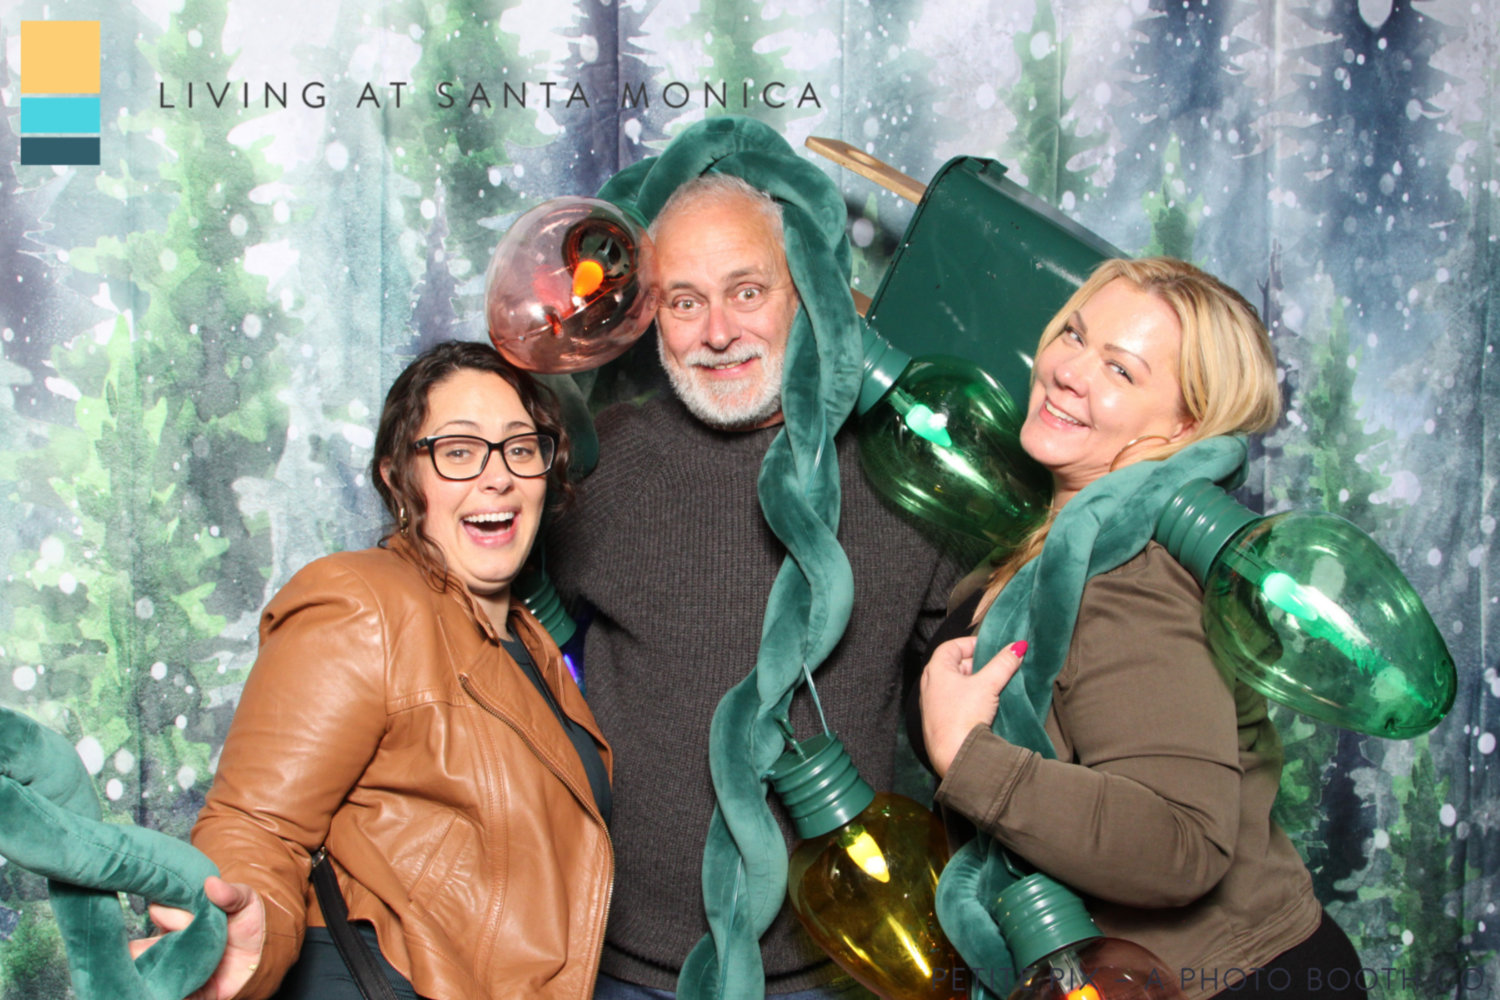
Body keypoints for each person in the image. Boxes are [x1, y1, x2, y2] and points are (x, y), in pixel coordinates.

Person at [546, 170, 960, 997]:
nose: (718, 332)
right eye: (685, 301)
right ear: (649, 316)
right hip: (612, 963)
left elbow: (970, 681)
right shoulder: (604, 462)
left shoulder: (903, 472)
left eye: (746, 291)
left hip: (834, 967)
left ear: (804, 293)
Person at [914, 257, 1366, 1000]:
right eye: (1074, 336)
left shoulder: (1136, 576)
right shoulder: (1057, 543)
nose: (1068, 372)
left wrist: (968, 755)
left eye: (1120, 371)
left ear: (1186, 426)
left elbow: (1185, 844)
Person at [136, 340, 613, 1000]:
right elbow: (257, 827)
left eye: (520, 447)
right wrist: (245, 943)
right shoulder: (363, 602)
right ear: (397, 478)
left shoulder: (531, 643)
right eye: (458, 451)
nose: (497, 476)